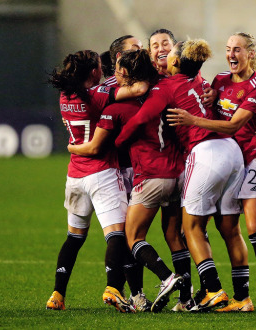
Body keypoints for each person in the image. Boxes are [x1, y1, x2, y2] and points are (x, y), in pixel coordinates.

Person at [115, 39, 246, 312]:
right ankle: (213, 297)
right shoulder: (199, 80)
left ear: (175, 61)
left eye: (169, 49)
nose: (164, 53)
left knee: (188, 229)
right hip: (229, 151)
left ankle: (211, 289)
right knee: (212, 230)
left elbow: (139, 120)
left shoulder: (164, 87)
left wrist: (116, 144)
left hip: (201, 153)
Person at [167, 32, 256, 314]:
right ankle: (238, 298)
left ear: (251, 54)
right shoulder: (219, 80)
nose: (232, 54)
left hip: (249, 161)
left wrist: (193, 120)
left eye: (238, 50)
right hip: (227, 159)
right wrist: (212, 96)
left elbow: (232, 126)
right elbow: (210, 101)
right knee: (224, 227)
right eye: (228, 49)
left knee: (247, 227)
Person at [68, 49, 189, 312]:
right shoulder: (163, 93)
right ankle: (187, 298)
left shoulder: (117, 107)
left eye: (118, 70)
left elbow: (99, 147)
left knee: (131, 237)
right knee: (175, 236)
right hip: (177, 174)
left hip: (149, 177)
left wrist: (73, 148)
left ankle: (166, 278)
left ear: (125, 73)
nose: (113, 74)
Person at [45, 49, 148, 313]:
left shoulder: (65, 95)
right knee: (116, 234)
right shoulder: (98, 96)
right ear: (93, 72)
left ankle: (57, 294)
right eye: (100, 67)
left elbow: (103, 87)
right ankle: (113, 287)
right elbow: (137, 89)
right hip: (101, 172)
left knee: (74, 238)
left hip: (75, 176)